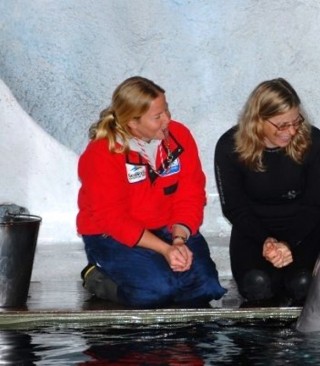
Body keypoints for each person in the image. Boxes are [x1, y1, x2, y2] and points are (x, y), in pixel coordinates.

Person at [77, 76, 226, 308]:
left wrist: (179, 240)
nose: (167, 119)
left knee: (206, 288)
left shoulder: (179, 137)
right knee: (155, 293)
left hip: (167, 228)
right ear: (132, 122)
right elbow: (112, 218)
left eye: (166, 109)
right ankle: (97, 276)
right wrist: (164, 249)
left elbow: (191, 194)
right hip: (112, 235)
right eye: (158, 117)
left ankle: (158, 269)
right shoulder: (102, 153)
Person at [214, 78, 320, 307]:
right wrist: (266, 241)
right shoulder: (229, 146)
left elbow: (315, 205)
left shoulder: (315, 142)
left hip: (304, 230)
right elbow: (234, 207)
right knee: (256, 284)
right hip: (253, 231)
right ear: (258, 120)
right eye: (282, 125)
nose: (291, 131)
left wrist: (287, 243)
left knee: (303, 283)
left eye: (296, 122)